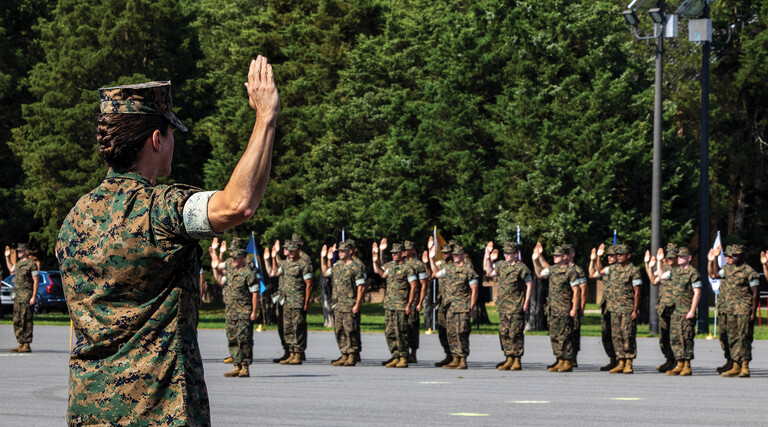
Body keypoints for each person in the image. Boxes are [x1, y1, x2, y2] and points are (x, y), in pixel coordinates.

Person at [56, 56, 279, 425]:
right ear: (157, 140)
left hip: (89, 409)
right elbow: (237, 205)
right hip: (157, 411)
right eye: (172, 133)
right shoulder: (161, 209)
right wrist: (265, 118)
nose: (174, 142)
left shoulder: (75, 218)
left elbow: (77, 324)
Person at [709, 244, 760, 377]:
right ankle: (734, 364)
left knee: (744, 337)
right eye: (727, 256)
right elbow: (714, 274)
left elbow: (755, 294)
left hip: (743, 309)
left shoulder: (749, 272)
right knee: (731, 337)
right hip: (728, 309)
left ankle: (744, 366)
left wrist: (753, 312)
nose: (729, 258)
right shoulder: (726, 269)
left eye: (733, 256)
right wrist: (713, 259)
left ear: (741, 256)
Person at [212, 237, 259, 377]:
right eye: (232, 257)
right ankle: (236, 365)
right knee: (232, 339)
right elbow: (217, 268)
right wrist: (214, 252)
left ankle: (245, 366)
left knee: (244, 339)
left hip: (244, 311)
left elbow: (255, 294)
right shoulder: (230, 271)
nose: (233, 260)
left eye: (236, 258)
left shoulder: (249, 273)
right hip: (231, 311)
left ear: (243, 258)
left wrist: (254, 312)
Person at [593, 244, 642, 374]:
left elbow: (637, 292)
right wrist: (599, 257)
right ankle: (620, 361)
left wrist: (635, 310)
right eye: (618, 255)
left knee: (628, 335)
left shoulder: (633, 271)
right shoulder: (613, 269)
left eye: (621, 255)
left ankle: (628, 362)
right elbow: (600, 270)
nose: (619, 257)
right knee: (616, 336)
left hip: (627, 308)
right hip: (614, 309)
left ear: (628, 256)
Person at [532, 243, 581, 372]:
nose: (555, 257)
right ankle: (560, 359)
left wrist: (574, 308)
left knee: (565, 335)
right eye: (554, 255)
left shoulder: (571, 271)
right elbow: (540, 273)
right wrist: (536, 259)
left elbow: (577, 291)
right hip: (553, 308)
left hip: (565, 308)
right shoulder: (553, 270)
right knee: (555, 335)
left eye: (558, 255)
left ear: (565, 256)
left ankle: (568, 361)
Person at [429, 244, 479, 370]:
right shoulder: (450, 269)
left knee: (461, 333)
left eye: (458, 255)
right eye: (454, 255)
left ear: (463, 256)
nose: (456, 257)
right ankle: (455, 358)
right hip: (450, 307)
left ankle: (463, 360)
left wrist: (471, 307)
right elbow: (436, 274)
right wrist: (431, 259)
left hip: (463, 307)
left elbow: (474, 290)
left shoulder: (469, 270)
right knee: (451, 333)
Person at [484, 241, 532, 371]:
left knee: (515, 333)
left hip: (516, 305)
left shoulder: (521, 268)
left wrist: (526, 301)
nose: (506, 255)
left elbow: (529, 284)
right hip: (503, 306)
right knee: (504, 333)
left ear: (516, 254)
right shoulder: (501, 265)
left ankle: (517, 360)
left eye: (509, 253)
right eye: (505, 253)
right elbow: (489, 272)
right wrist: (487, 257)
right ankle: (508, 358)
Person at [654, 246, 700, 376]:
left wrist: (692, 310)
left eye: (682, 256)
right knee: (675, 338)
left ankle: (687, 365)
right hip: (675, 310)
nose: (679, 259)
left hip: (685, 310)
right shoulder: (675, 272)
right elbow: (662, 277)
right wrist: (658, 261)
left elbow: (697, 293)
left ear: (689, 258)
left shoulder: (693, 273)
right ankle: (679, 364)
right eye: (678, 257)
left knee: (686, 337)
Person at [321, 241, 366, 366]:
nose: (339, 253)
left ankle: (352, 355)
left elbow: (361, 287)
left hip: (350, 304)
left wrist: (357, 304)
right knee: (339, 330)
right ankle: (344, 354)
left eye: (342, 251)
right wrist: (323, 258)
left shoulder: (356, 267)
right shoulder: (338, 265)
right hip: (338, 304)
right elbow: (326, 272)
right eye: (339, 251)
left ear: (350, 252)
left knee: (350, 330)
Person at [372, 242, 416, 367]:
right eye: (392, 253)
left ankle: (403, 357)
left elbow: (413, 287)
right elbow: (382, 274)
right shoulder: (390, 267)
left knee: (401, 331)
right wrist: (375, 261)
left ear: (403, 254)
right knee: (389, 332)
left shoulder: (408, 268)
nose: (393, 255)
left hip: (401, 305)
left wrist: (409, 305)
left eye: (396, 253)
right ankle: (395, 355)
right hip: (389, 305)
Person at [270, 240, 313, 365]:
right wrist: (273, 257)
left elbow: (309, 285)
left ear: (298, 251)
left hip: (297, 301)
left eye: (292, 250)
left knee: (298, 327)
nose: (289, 252)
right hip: (286, 301)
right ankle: (291, 352)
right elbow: (275, 272)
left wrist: (306, 302)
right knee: (287, 328)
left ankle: (298, 354)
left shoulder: (303, 264)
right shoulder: (286, 264)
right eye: (289, 250)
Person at [644, 244, 678, 372]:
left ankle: (678, 362)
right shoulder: (664, 268)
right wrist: (648, 266)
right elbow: (654, 281)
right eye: (667, 257)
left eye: (671, 257)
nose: (669, 260)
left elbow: (663, 275)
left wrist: (659, 262)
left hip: (676, 308)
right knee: (664, 336)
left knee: (676, 336)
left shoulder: (680, 270)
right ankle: (669, 360)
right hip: (664, 307)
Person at [589, 244, 618, 371]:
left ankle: (622, 361)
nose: (610, 258)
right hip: (607, 307)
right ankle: (612, 359)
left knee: (619, 335)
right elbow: (591, 274)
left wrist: (598, 258)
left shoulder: (619, 271)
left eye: (612, 255)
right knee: (606, 334)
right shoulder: (607, 271)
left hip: (619, 307)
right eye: (608, 256)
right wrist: (593, 260)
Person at [7, 243, 39, 353]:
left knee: (26, 319)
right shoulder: (19, 264)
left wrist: (33, 296)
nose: (19, 252)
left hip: (26, 296)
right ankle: (20, 342)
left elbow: (36, 281)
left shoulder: (31, 265)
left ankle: (26, 344)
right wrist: (7, 257)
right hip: (17, 296)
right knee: (17, 319)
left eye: (21, 251)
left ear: (26, 251)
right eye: (18, 251)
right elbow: (11, 268)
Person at [427, 238, 454, 366]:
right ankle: (448, 354)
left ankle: (457, 355)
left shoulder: (459, 265)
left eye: (447, 252)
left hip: (454, 302)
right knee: (442, 329)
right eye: (443, 252)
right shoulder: (440, 264)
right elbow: (431, 275)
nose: (444, 254)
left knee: (454, 330)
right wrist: (429, 259)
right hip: (442, 302)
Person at [403, 240, 428, 363]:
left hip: (413, 300)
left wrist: (420, 302)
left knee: (412, 326)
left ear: (413, 250)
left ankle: (413, 353)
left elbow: (424, 284)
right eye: (404, 249)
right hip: (400, 299)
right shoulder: (400, 264)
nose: (405, 251)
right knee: (401, 327)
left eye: (408, 249)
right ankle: (402, 353)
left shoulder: (418, 265)